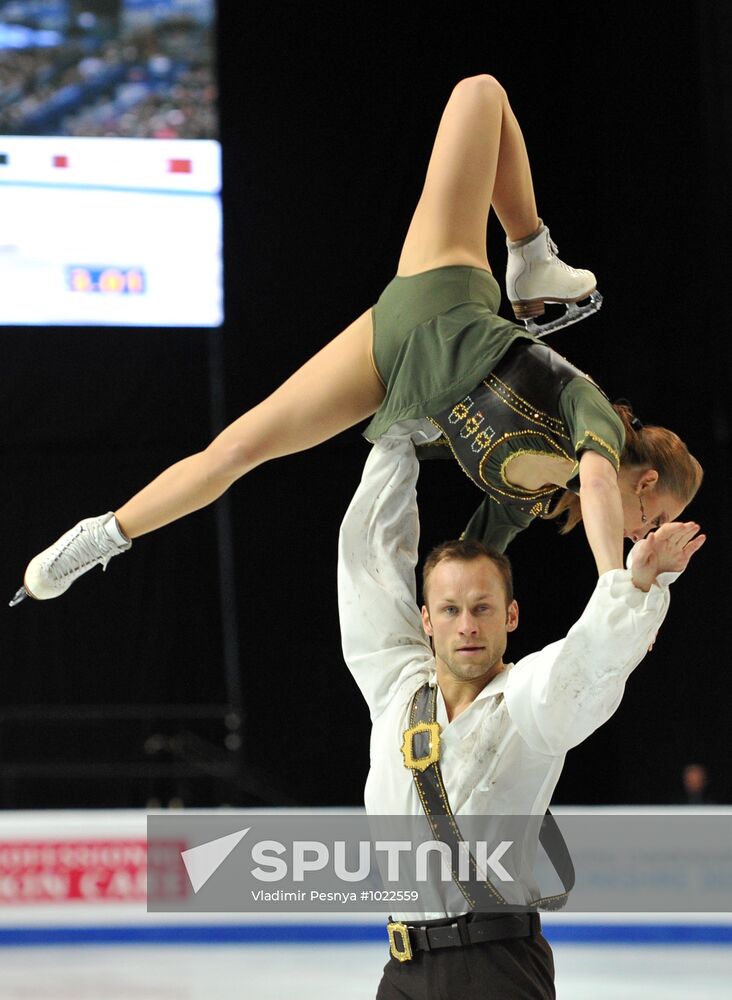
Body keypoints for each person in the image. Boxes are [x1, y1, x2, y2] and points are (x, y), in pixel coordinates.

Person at [11, 74, 702, 606]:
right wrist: (618, 589)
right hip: (444, 303)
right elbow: (598, 481)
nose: (653, 531)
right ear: (644, 481)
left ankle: (102, 535)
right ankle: (529, 252)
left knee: (238, 449)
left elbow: (467, 563)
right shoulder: (596, 433)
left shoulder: (530, 499)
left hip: (392, 367)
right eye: (660, 515)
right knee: (479, 93)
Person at [337, 425, 705, 999]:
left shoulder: (528, 700)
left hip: (496, 971)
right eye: (451, 609)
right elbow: (369, 568)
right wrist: (396, 443)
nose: (467, 625)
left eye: (483, 608)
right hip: (402, 971)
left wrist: (635, 585)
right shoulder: (395, 686)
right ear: (425, 621)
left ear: (511, 616)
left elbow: (586, 664)